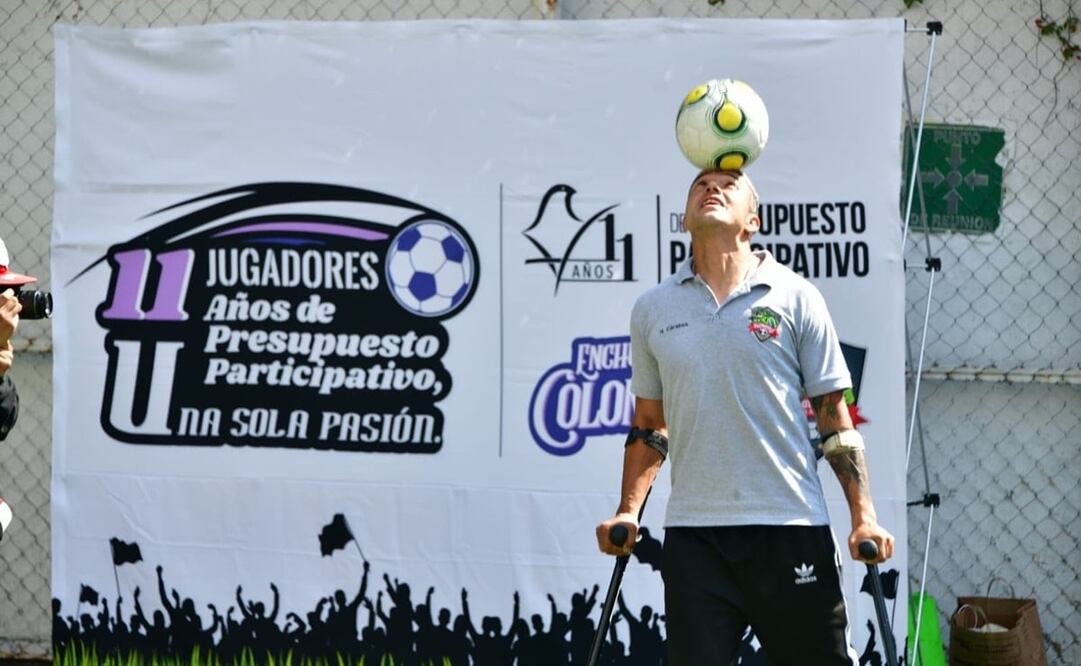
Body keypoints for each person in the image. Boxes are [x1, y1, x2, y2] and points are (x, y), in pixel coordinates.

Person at [595, 169, 895, 665]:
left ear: (752, 220)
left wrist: (864, 517)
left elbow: (834, 418)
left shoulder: (796, 296)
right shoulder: (653, 309)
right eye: (699, 185)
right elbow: (650, 424)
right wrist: (628, 510)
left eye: (728, 185)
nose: (711, 189)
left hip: (791, 526)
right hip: (696, 539)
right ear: (685, 218)